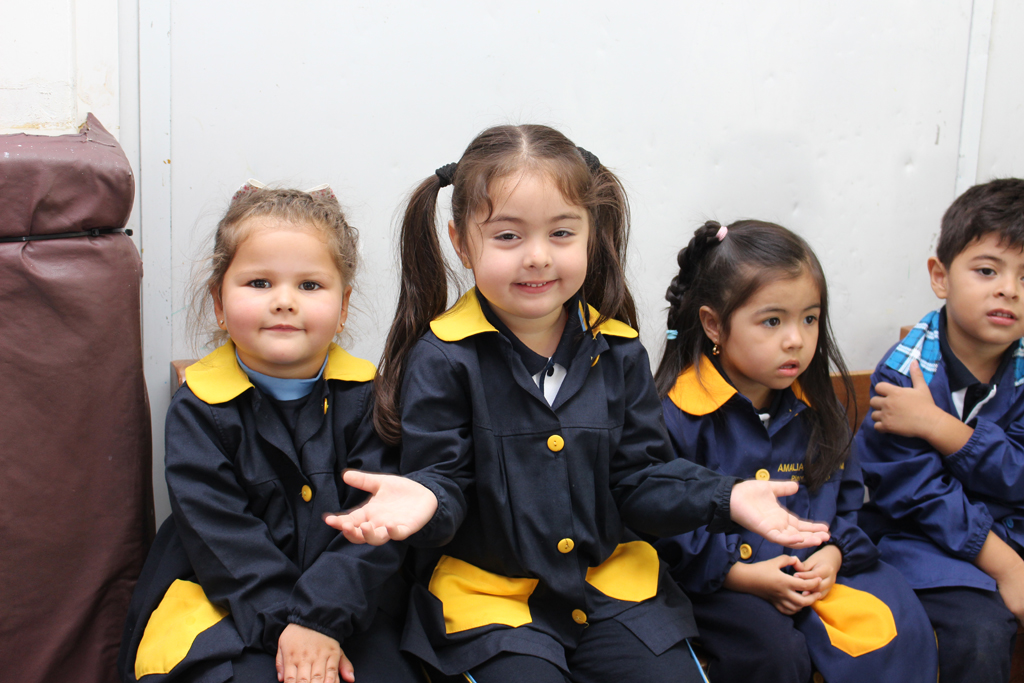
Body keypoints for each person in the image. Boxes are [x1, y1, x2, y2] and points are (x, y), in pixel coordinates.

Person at [325, 125, 830, 683]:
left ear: (592, 235)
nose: (538, 257)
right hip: (491, 604)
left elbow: (640, 480)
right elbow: (446, 481)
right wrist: (426, 496)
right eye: (508, 236)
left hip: (613, 592)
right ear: (461, 242)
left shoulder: (619, 350)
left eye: (562, 233)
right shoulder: (443, 358)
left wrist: (726, 496)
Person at [118, 183, 419, 683]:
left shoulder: (371, 399)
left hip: (350, 601)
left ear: (344, 307)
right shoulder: (199, 409)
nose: (284, 302)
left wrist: (320, 621)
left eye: (309, 286)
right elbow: (223, 539)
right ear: (219, 303)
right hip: (224, 598)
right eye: (259, 283)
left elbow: (378, 525)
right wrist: (292, 627)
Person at [652, 219, 937, 683]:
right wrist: (742, 575)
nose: (797, 340)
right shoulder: (676, 415)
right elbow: (665, 530)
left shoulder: (819, 407)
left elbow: (846, 503)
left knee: (898, 625)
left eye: (810, 318)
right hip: (717, 583)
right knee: (774, 654)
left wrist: (834, 554)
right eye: (773, 321)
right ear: (713, 325)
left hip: (818, 569)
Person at [856, 178, 1024, 683]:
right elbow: (915, 494)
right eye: (987, 270)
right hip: (926, 543)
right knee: (978, 632)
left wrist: (941, 427)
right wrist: (1006, 566)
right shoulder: (903, 373)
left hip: (1014, 535)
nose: (1009, 289)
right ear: (940, 277)